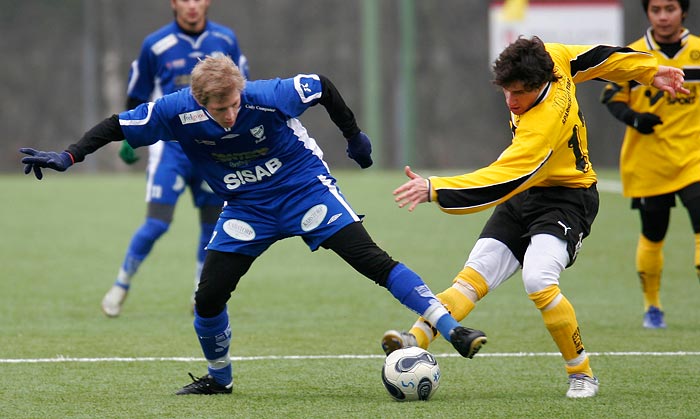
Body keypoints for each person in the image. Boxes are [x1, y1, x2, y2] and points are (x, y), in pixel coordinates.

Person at [20, 54, 488, 395]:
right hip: (246, 207)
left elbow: (322, 85)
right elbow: (116, 125)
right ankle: (219, 378)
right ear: (199, 102)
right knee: (208, 297)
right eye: (220, 109)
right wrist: (68, 155)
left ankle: (453, 331)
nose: (230, 115)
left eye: (235, 105)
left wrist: (354, 137)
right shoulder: (175, 109)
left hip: (304, 189)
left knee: (371, 260)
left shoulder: (267, 96)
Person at [380, 36, 688, 398]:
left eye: (519, 93)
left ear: (542, 83)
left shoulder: (542, 125)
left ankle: (582, 373)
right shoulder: (554, 58)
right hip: (525, 196)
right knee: (472, 277)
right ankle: (412, 341)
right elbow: (598, 57)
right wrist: (649, 70)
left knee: (538, 278)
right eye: (505, 91)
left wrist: (436, 189)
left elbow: (503, 178)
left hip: (567, 199)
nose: (511, 101)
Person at [101, 0, 250, 317]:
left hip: (211, 150)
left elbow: (241, 89)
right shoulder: (156, 44)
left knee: (212, 225)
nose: (192, 5)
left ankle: (200, 291)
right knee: (156, 223)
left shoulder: (225, 40)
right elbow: (138, 93)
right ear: (174, 3)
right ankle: (121, 284)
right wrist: (130, 138)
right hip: (171, 150)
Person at [600, 0, 700, 329]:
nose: (663, 16)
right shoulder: (633, 55)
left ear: (683, 12)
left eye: (669, 8)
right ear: (648, 13)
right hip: (648, 161)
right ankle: (653, 306)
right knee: (654, 234)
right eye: (655, 9)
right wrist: (635, 117)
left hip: (693, 158)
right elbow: (612, 98)